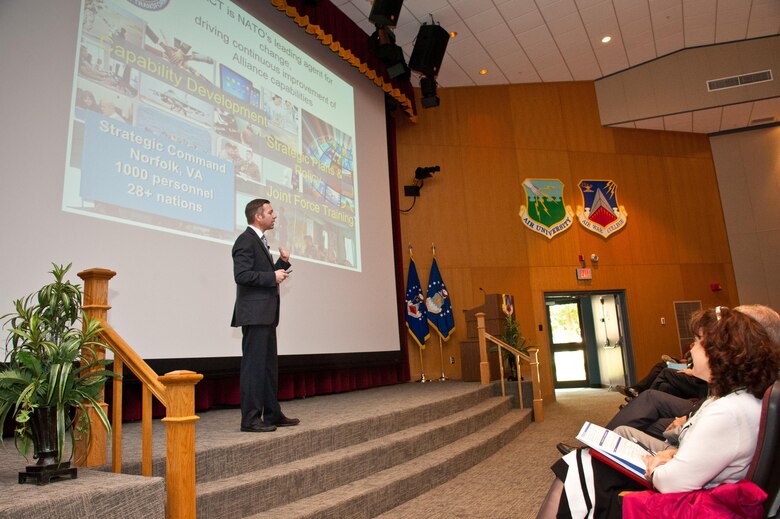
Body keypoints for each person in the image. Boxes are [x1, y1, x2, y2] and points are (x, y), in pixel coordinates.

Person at [538, 305, 780, 518]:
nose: (690, 349)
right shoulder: (739, 398)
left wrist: (657, 465)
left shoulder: (727, 412)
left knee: (577, 468)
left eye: (696, 342)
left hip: (689, 505)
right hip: (697, 492)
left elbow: (671, 482)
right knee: (581, 464)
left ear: (718, 353)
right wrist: (672, 455)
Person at [231, 199, 299, 432]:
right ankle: (250, 419)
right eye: (270, 212)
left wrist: (282, 263)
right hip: (255, 314)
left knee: (269, 367)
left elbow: (262, 273)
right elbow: (241, 275)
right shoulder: (245, 240)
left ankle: (271, 414)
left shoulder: (259, 241)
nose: (275, 216)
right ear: (258, 216)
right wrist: (272, 277)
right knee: (254, 368)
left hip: (266, 315)